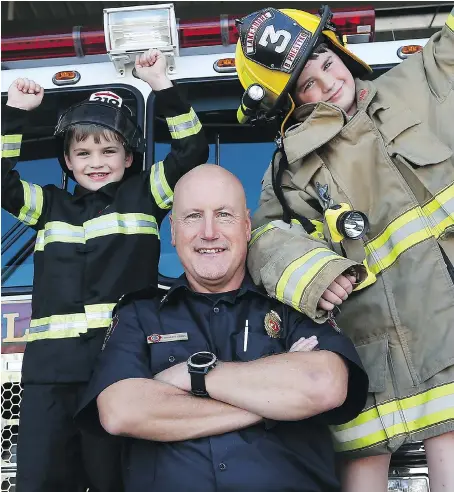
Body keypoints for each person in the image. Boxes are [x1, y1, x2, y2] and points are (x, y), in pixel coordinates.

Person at [234, 6, 454, 492]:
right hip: (369, 339)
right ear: (292, 105)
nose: (327, 84)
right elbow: (265, 240)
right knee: (363, 457)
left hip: (445, 321)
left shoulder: (415, 85)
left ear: (341, 52)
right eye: (307, 85)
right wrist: (314, 274)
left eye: (326, 65)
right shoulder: (290, 168)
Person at [75, 164, 368, 492]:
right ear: (172, 231)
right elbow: (120, 411)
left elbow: (322, 384)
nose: (209, 232)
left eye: (224, 215)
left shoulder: (290, 305)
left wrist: (192, 376)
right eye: (193, 216)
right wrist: (272, 406)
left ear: (246, 226)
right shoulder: (139, 314)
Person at [1, 49, 208, 492]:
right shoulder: (48, 207)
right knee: (39, 483)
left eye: (109, 150)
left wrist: (160, 83)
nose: (96, 161)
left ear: (129, 158)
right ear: (69, 163)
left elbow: (191, 149)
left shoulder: (147, 194)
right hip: (49, 379)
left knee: (119, 481)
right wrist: (14, 113)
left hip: (119, 370)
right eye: (84, 152)